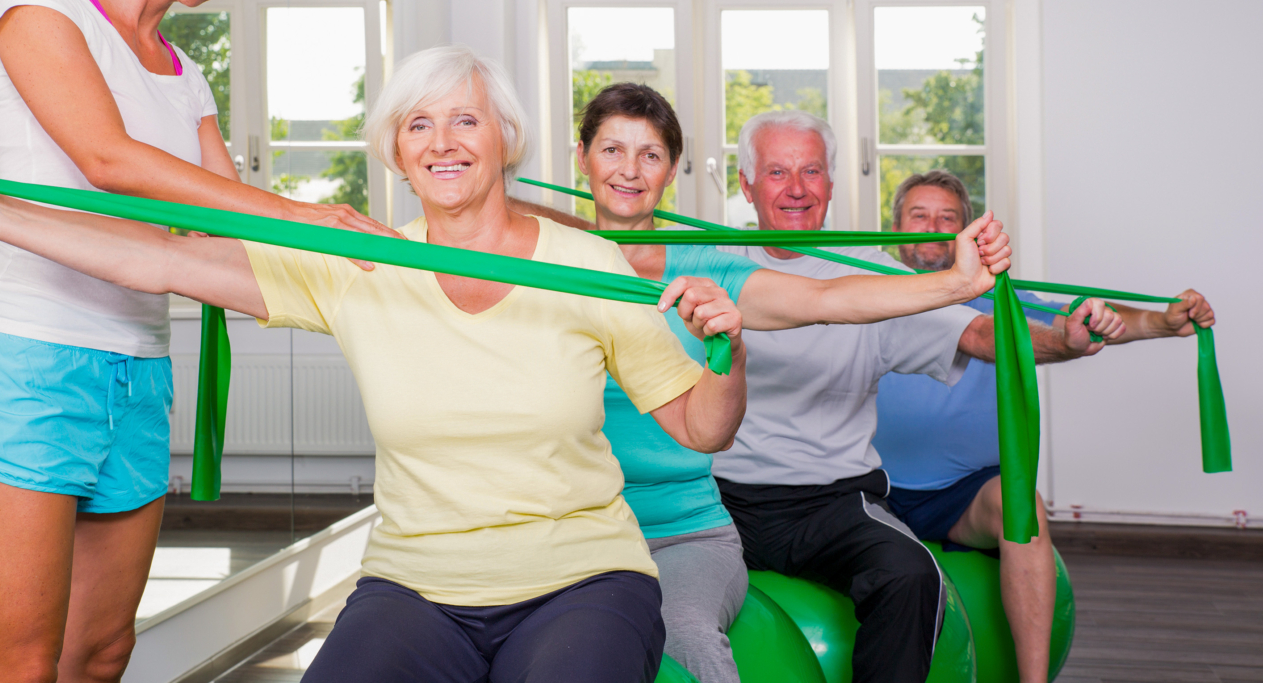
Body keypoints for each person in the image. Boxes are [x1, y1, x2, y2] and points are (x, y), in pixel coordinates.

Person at [0, 45, 751, 683]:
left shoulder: (588, 265)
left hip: (582, 579)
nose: (443, 142)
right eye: (417, 125)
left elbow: (702, 426)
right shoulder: (353, 264)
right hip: (418, 587)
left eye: (465, 119)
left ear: (506, 138)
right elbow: (160, 262)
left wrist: (729, 354)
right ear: (397, 152)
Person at [0, 0, 407, 680]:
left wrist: (381, 261)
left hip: (139, 377)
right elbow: (106, 159)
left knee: (100, 653)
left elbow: (227, 234)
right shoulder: (41, 3)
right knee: (20, 660)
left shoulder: (185, 77)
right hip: (29, 365)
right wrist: (301, 211)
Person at [513, 83, 1013, 683]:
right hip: (574, 516)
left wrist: (955, 284)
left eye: (649, 154)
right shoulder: (541, 258)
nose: (629, 169)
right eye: (612, 150)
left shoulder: (708, 267)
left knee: (686, 639)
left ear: (672, 169)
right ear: (582, 158)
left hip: (685, 523)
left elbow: (825, 297)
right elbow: (482, 226)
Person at [708, 111, 1125, 683]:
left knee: (913, 576)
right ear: (747, 184)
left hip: (829, 502)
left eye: (811, 171)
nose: (797, 189)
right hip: (719, 499)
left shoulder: (873, 274)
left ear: (831, 183)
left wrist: (1062, 341)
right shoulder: (708, 266)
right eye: (777, 172)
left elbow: (977, 333)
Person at [875, 170, 1216, 683]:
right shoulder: (868, 294)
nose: (932, 227)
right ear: (895, 227)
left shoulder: (1001, 297)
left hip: (961, 494)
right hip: (872, 489)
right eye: (918, 215)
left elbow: (1072, 324)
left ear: (966, 232)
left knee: (1023, 507)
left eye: (947, 218)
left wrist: (1161, 323)